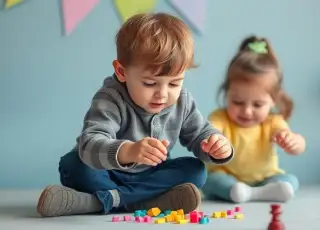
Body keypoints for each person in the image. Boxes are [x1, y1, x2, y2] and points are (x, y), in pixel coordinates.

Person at [36, 12, 234, 217]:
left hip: (150, 177)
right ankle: (145, 201)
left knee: (196, 170)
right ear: (122, 72)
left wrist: (217, 145)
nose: (163, 94)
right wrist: (128, 151)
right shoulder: (110, 98)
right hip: (106, 173)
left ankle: (98, 202)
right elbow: (89, 144)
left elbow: (201, 134)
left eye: (174, 83)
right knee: (75, 165)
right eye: (150, 83)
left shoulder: (182, 101)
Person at [201, 35, 306, 203]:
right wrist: (212, 140)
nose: (247, 111)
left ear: (273, 100)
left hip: (265, 179)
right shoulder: (220, 118)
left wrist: (294, 142)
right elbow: (209, 131)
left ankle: (253, 193)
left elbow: (297, 144)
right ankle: (238, 191)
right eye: (237, 102)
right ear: (227, 93)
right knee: (207, 178)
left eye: (257, 104)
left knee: (290, 180)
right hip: (228, 178)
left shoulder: (273, 122)